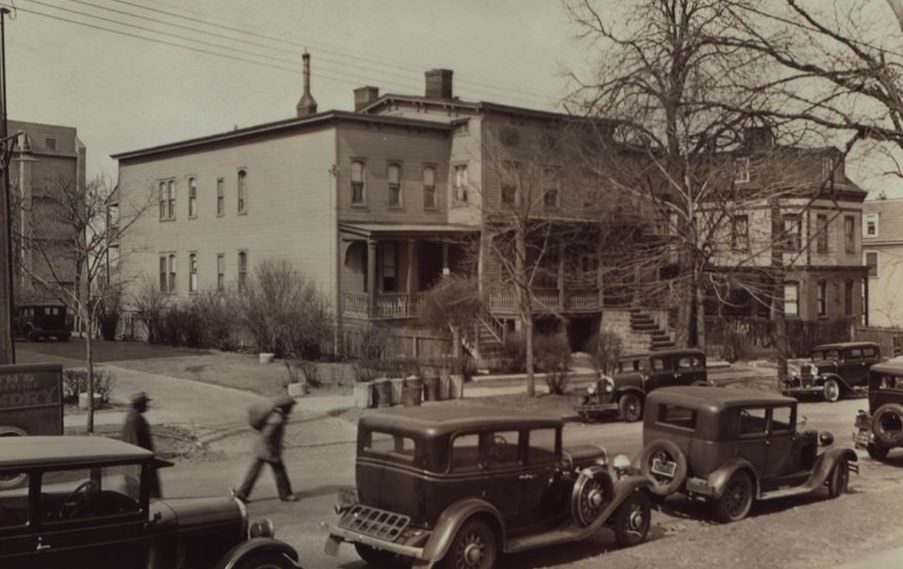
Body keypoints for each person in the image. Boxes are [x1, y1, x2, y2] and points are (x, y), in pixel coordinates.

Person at [232, 394, 299, 503]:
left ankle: (241, 494)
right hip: (267, 449)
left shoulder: (275, 416)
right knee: (279, 470)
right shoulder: (277, 420)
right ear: (285, 408)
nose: (291, 410)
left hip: (262, 448)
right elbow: (267, 436)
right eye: (290, 407)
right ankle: (286, 495)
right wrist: (271, 451)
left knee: (254, 472)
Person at [121, 391, 162, 498]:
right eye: (145, 403)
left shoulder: (134, 417)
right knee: (146, 500)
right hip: (140, 469)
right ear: (139, 404)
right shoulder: (134, 419)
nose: (147, 406)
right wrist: (140, 470)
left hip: (141, 467)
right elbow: (134, 445)